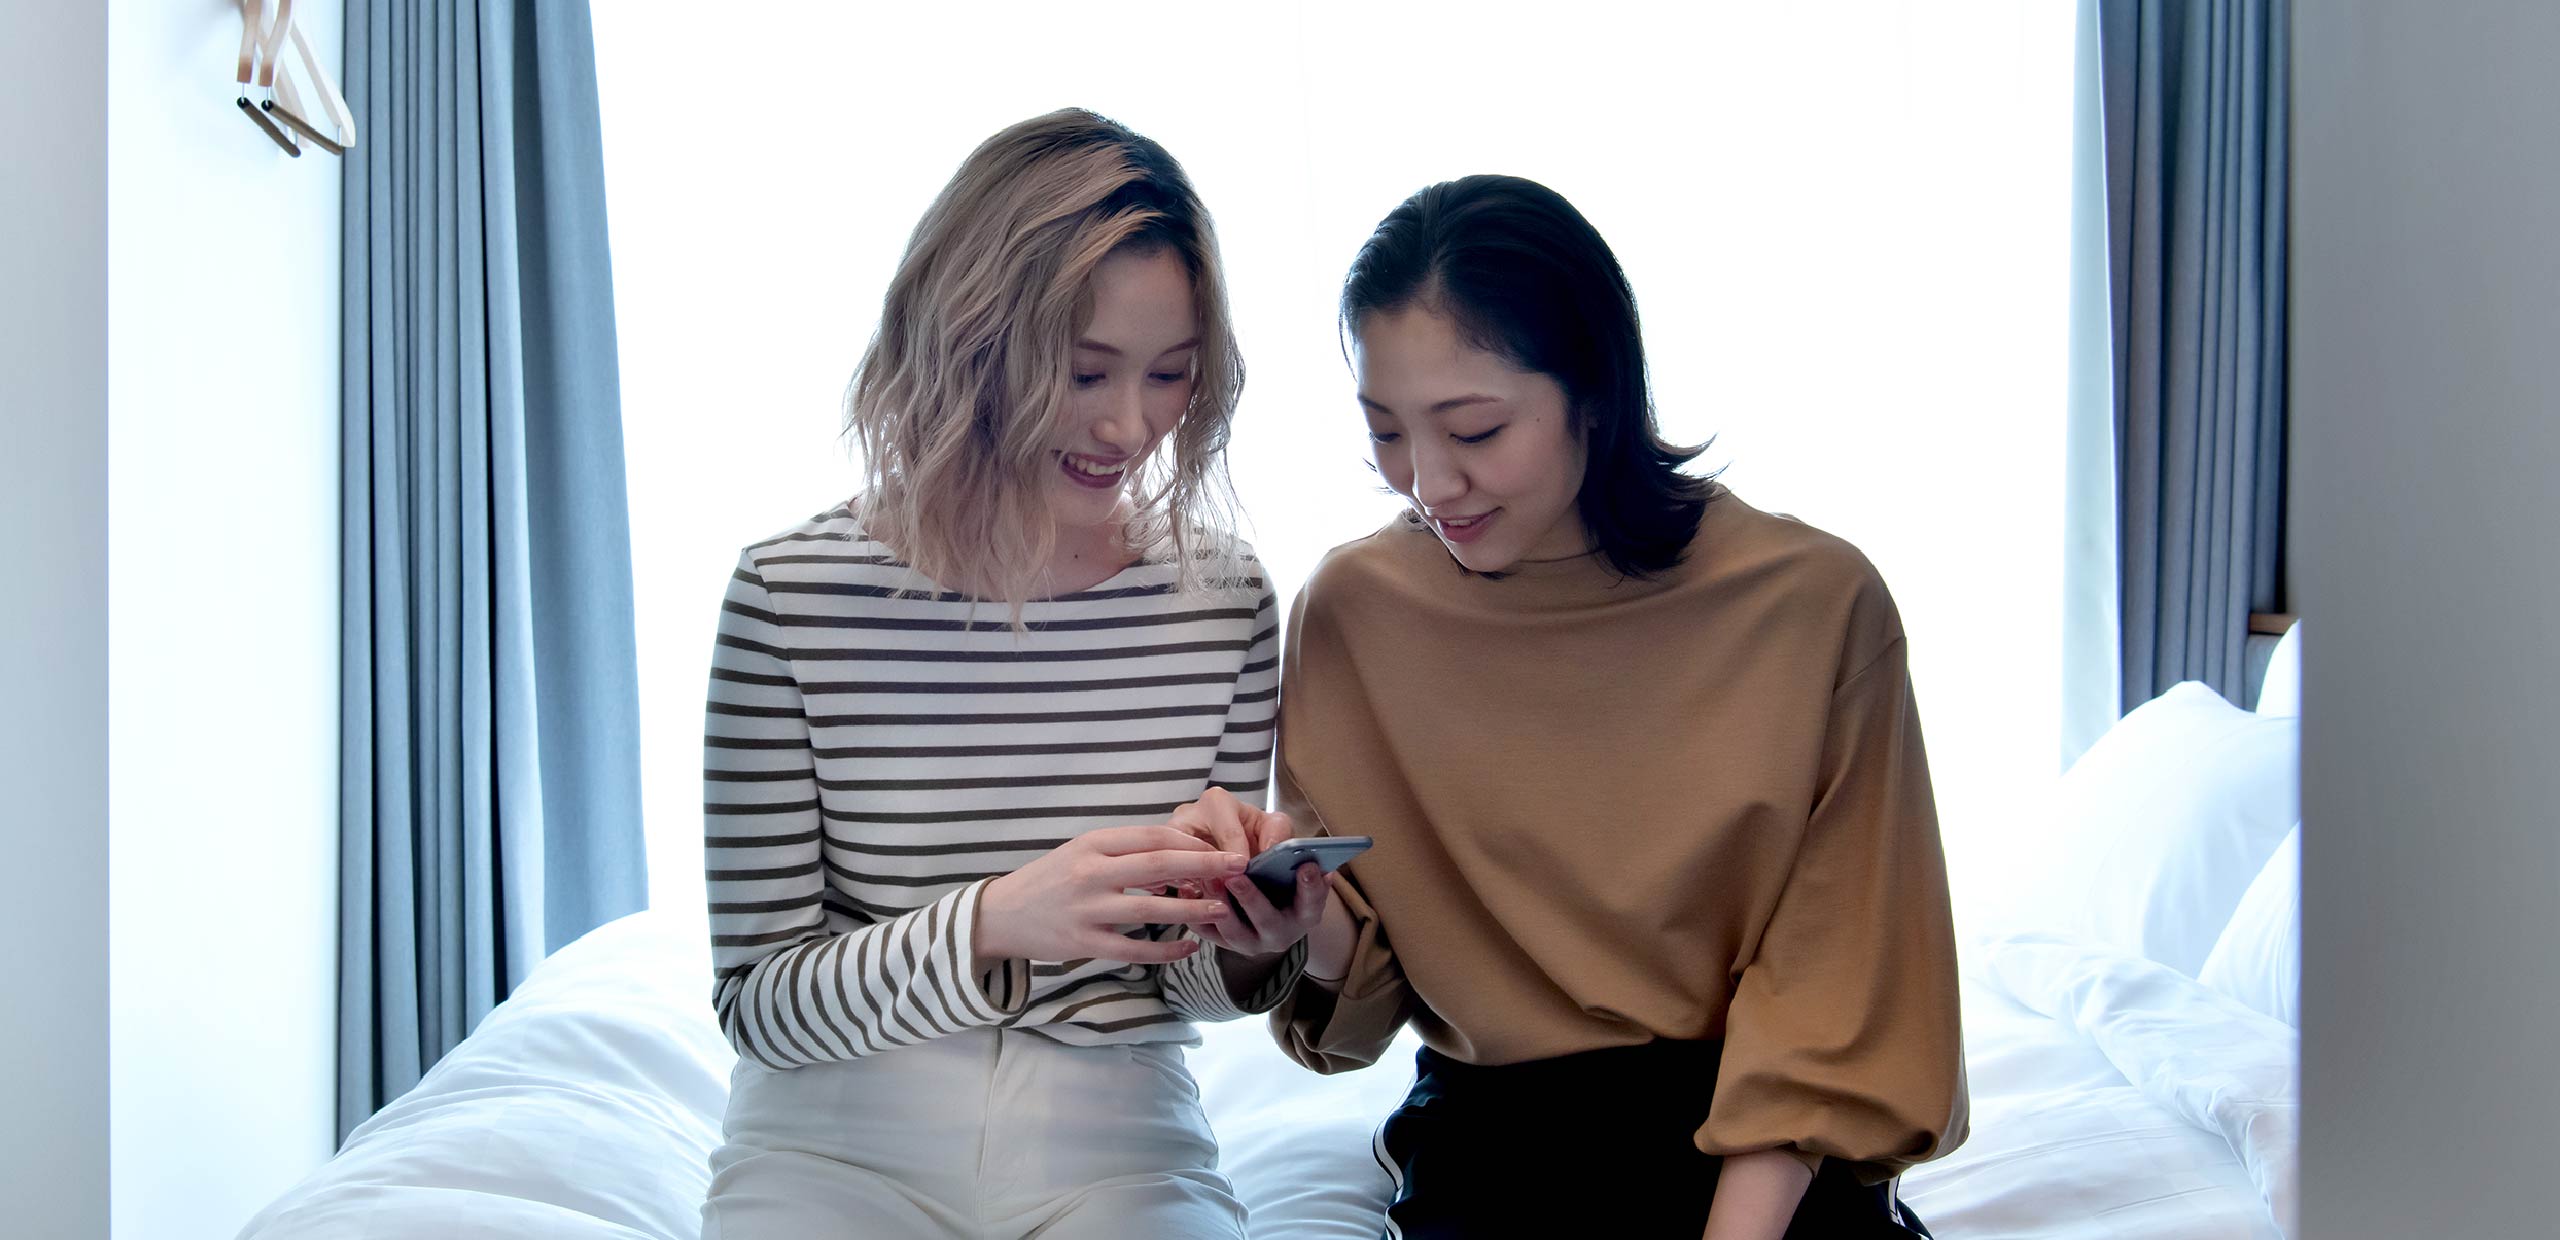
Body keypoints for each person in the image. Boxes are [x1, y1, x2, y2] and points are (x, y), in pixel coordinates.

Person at [1195, 174, 1968, 1239]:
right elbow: (1362, 996)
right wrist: (1301, 918)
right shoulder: (1356, 613)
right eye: (1387, 431)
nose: (1428, 482)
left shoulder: (1813, 603)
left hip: (1772, 1153)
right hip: (1504, 1141)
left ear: (1595, 393)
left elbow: (1830, 985)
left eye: (1474, 430)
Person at [696, 108, 1323, 1240]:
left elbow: (1178, 978)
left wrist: (1251, 949)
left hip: (1118, 1130)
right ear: (970, 343)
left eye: (1170, 374)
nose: (1129, 424)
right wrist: (996, 920)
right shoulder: (792, 594)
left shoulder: (1222, 599)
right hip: (838, 1127)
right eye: (1084, 372)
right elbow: (759, 1003)